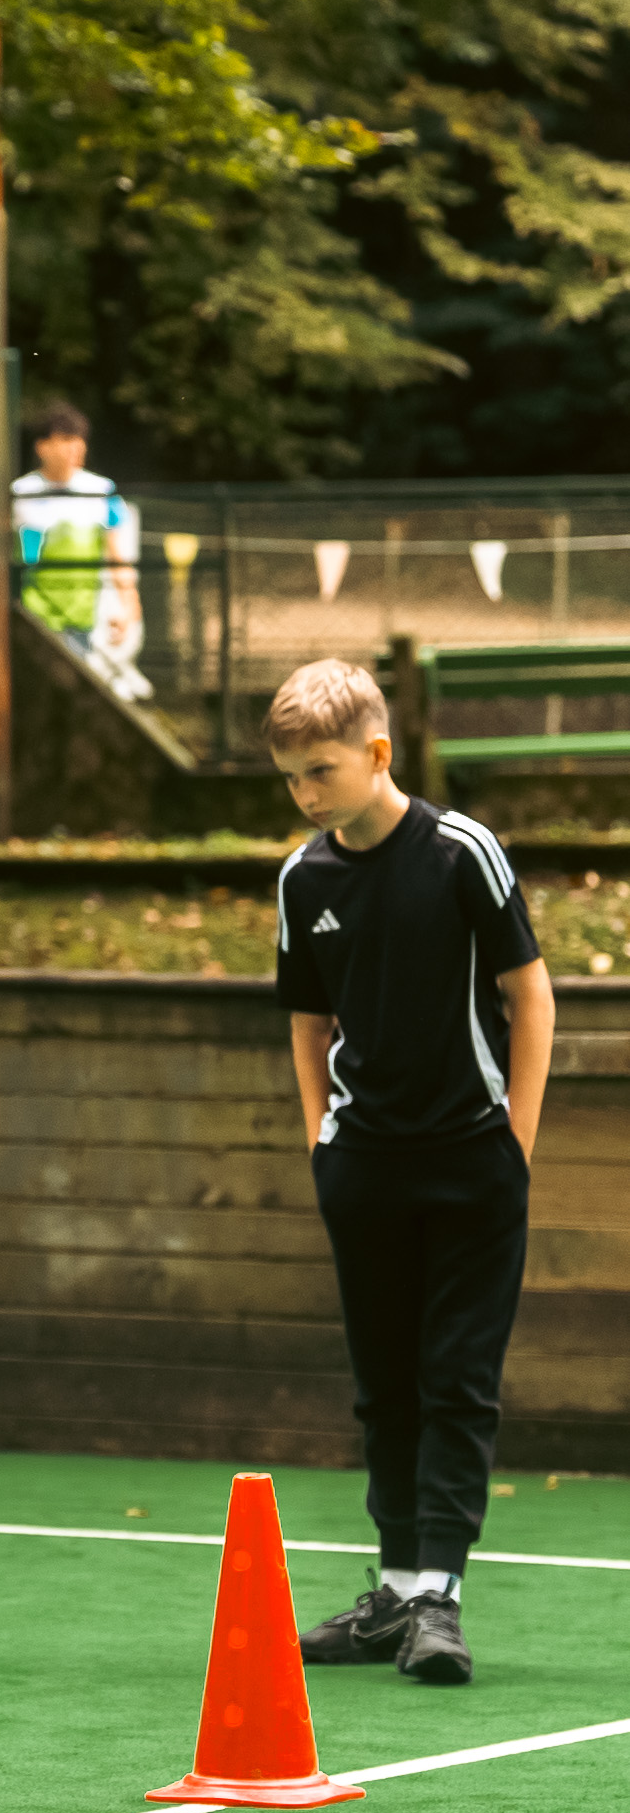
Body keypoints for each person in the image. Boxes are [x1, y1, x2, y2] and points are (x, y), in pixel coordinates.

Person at [268, 659, 554, 1687]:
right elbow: (307, 1025)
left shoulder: (461, 851)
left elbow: (530, 997)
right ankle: (396, 1590)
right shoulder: (303, 879)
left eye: (320, 771)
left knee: (455, 1381)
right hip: (363, 1172)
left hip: (473, 1166)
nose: (305, 794)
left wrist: (509, 1143)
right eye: (291, 778)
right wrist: (323, 1143)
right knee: (383, 1386)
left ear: (377, 755)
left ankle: (443, 1595)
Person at [11, 403, 148, 699]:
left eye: (79, 440)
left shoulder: (102, 491)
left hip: (85, 620)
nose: (75, 448)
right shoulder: (19, 494)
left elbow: (117, 556)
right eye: (66, 439)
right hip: (34, 617)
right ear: (42, 446)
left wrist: (128, 606)